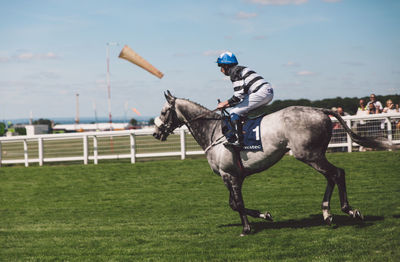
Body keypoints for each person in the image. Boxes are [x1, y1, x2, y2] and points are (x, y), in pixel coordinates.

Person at [216, 51, 273, 148]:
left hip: (260, 92)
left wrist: (224, 104)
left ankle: (239, 141)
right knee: (239, 110)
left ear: (226, 66)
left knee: (234, 112)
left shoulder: (234, 72)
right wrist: (227, 105)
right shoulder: (240, 69)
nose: (220, 70)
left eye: (220, 66)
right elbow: (241, 97)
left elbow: (238, 96)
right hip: (265, 91)